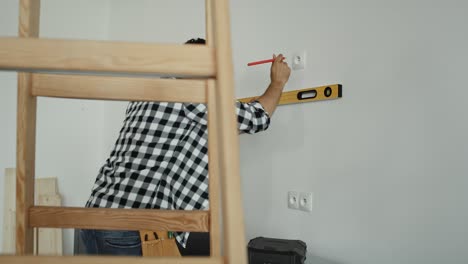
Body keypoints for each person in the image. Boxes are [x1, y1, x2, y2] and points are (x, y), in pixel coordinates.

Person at [79, 38, 291, 256]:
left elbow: (211, 128)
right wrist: (277, 83)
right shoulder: (191, 95)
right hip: (128, 228)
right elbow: (256, 118)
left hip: (95, 213)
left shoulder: (147, 92)